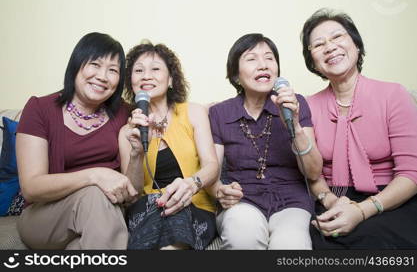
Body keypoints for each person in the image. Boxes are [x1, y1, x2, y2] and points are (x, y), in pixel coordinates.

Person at [301, 8, 417, 249]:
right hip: (333, 198)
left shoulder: (393, 95)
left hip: (390, 197)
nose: (330, 47)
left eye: (337, 37)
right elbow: (312, 175)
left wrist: (362, 211)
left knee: (371, 238)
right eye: (318, 44)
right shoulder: (308, 106)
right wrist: (332, 202)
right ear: (313, 61)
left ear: (356, 45)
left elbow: (411, 174)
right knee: (315, 238)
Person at [16, 32, 136, 249]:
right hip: (45, 215)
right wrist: (94, 176)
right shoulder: (39, 109)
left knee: (81, 246)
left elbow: (133, 190)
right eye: (95, 65)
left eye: (113, 70)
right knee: (94, 195)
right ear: (76, 65)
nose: (102, 76)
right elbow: (31, 187)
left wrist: (138, 152)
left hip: (104, 218)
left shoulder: (124, 114)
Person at [208, 33, 323, 250]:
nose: (263, 65)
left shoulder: (296, 104)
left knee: (292, 245)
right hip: (242, 201)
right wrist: (219, 191)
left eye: (270, 58)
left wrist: (295, 125)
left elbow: (314, 172)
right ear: (235, 75)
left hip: (292, 202)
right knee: (243, 237)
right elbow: (211, 171)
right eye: (252, 59)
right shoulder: (219, 113)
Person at [119, 41, 218, 250]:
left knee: (176, 212)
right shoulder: (127, 131)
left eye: (155, 69)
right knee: (158, 208)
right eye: (138, 70)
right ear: (131, 82)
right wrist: (137, 152)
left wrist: (190, 184)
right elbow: (133, 194)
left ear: (171, 79)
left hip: (194, 206)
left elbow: (212, 165)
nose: (146, 76)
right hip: (148, 208)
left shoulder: (193, 112)